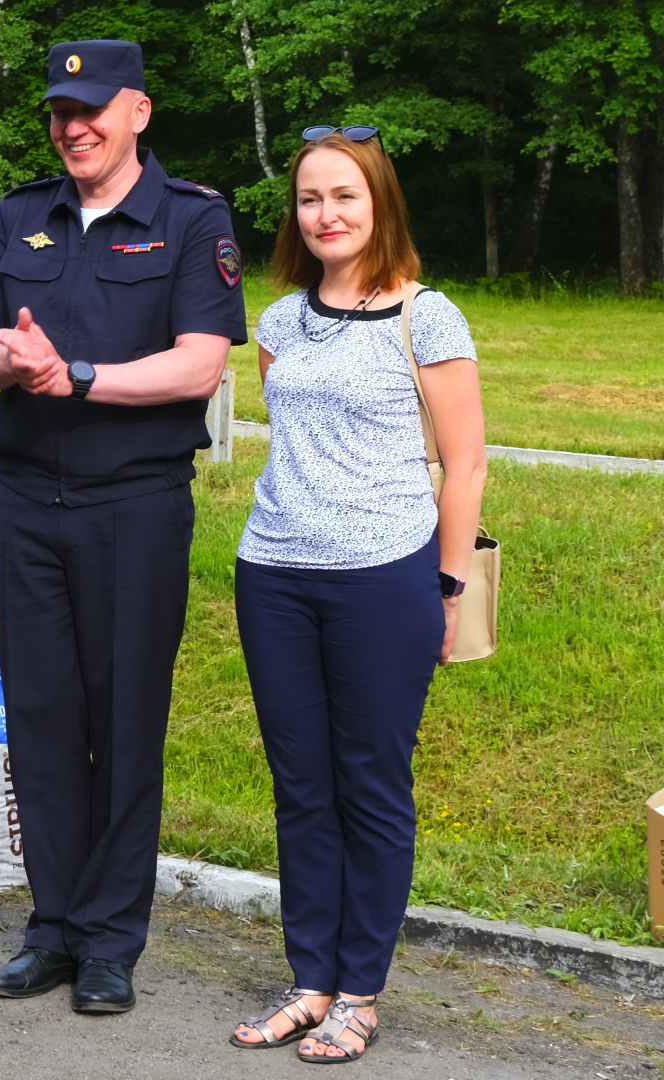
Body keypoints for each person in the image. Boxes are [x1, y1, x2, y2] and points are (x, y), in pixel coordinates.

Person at [0, 39, 247, 1013]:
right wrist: (16, 362)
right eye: (58, 111)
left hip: (134, 506)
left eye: (91, 109)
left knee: (124, 721)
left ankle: (113, 940)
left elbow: (200, 364)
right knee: (41, 718)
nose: (72, 126)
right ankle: (53, 928)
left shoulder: (191, 220)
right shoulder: (20, 214)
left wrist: (76, 374)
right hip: (27, 499)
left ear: (138, 112)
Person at [226, 128, 483, 1064]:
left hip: (387, 578)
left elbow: (465, 464)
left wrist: (446, 584)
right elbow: (288, 434)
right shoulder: (282, 321)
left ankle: (360, 993)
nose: (325, 214)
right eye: (308, 200)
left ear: (379, 205)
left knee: (371, 787)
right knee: (300, 789)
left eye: (344, 196)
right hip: (275, 576)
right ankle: (310, 982)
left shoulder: (431, 317)